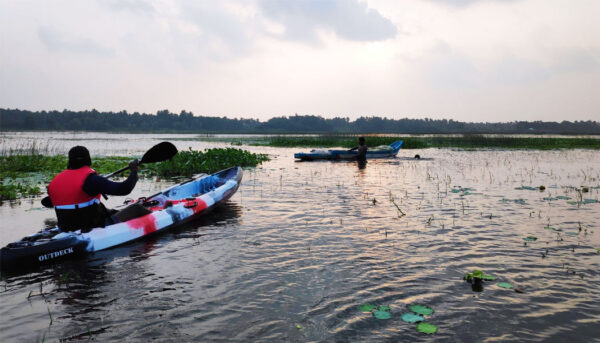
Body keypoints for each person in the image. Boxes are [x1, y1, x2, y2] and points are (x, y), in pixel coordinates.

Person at [48, 146, 141, 232]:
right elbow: (124, 189)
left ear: (69, 162)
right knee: (137, 208)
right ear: (89, 160)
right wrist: (133, 173)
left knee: (109, 211)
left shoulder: (54, 182)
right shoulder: (92, 180)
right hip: (91, 228)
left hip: (65, 228)